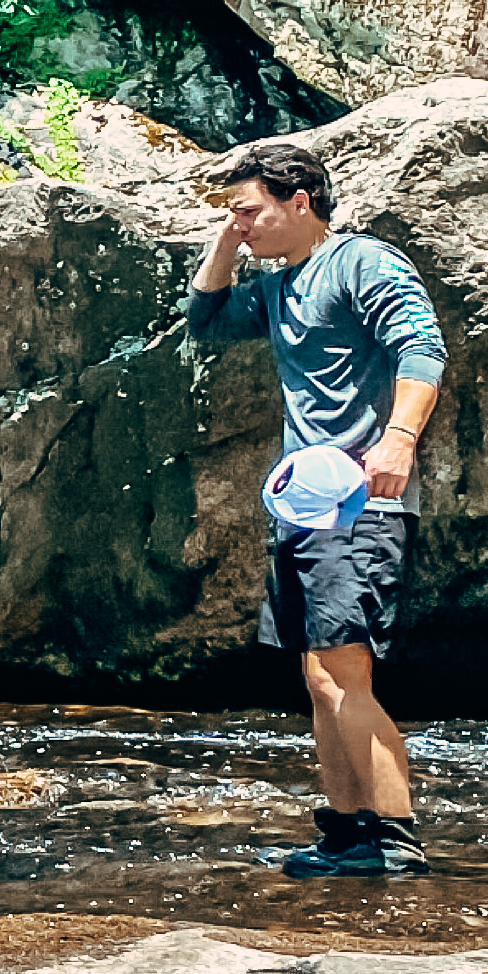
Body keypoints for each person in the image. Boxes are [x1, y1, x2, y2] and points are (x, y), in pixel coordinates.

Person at [185, 139, 448, 877]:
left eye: (250, 211)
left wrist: (398, 440)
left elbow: (422, 349)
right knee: (320, 679)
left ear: (300, 202)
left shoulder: (362, 261)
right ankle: (346, 833)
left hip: (364, 501)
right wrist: (224, 241)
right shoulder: (275, 287)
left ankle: (395, 840)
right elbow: (203, 321)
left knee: (349, 674)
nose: (241, 224)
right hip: (302, 509)